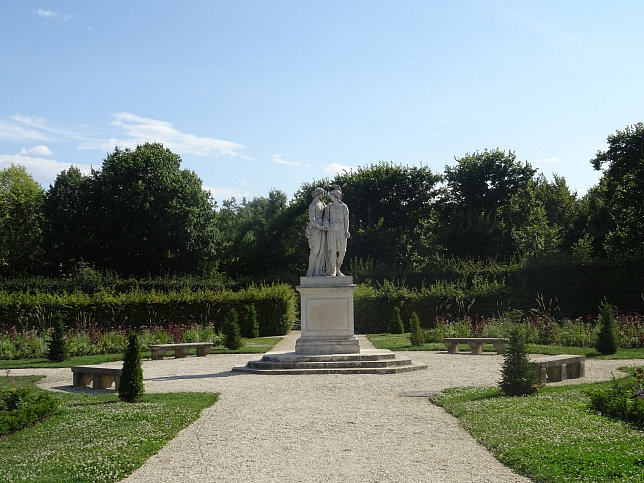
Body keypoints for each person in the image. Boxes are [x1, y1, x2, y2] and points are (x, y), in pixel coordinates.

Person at [324, 188, 350, 276]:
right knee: (332, 251)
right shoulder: (329, 206)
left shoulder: (343, 207)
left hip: (341, 230)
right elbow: (326, 218)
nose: (330, 197)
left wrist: (346, 230)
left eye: (331, 195)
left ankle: (338, 268)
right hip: (332, 230)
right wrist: (326, 224)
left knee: (342, 251)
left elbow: (346, 219)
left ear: (336, 196)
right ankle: (333, 270)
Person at [305, 187, 327, 276]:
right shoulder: (312, 205)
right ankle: (310, 271)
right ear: (318, 193)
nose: (323, 195)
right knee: (315, 250)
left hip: (322, 228)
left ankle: (319, 270)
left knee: (322, 250)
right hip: (315, 229)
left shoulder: (322, 204)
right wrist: (319, 226)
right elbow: (312, 219)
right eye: (322, 193)